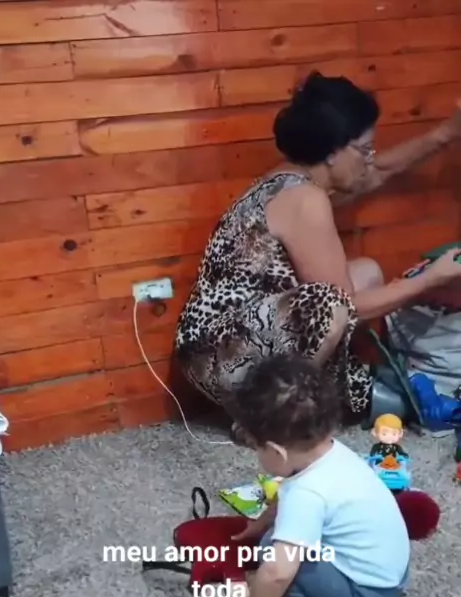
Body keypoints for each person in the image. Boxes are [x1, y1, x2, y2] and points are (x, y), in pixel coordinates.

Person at [175, 71, 461, 441]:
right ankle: (268, 419)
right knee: (331, 305)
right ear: (332, 151)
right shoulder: (303, 199)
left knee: (366, 273)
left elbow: (378, 173)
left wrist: (446, 134)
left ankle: (306, 394)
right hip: (219, 354)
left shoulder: (293, 179)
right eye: (364, 149)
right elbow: (345, 305)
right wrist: (431, 279)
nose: (369, 159)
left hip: (230, 337)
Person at [227, 353, 410, 597]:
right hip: (392, 577)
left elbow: (278, 572)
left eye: (256, 449)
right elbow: (284, 497)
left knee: (272, 552)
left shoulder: (306, 493)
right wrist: (260, 523)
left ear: (277, 452)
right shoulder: (332, 453)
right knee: (275, 538)